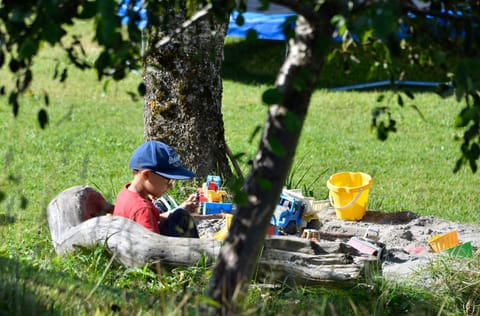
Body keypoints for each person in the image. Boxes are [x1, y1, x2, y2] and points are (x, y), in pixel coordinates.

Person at [113, 140, 200, 238]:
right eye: (168, 180)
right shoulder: (143, 209)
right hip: (149, 250)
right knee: (182, 218)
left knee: (179, 214)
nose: (170, 186)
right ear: (146, 175)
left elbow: (153, 220)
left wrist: (179, 208)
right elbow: (153, 246)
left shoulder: (125, 194)